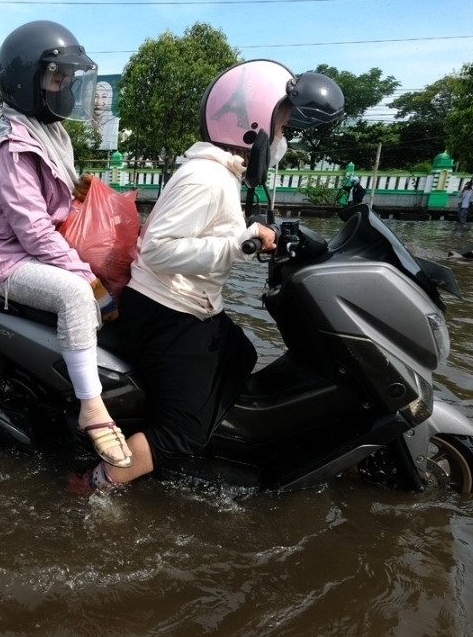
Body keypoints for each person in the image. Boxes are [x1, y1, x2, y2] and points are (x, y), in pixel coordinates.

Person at [72, 60, 344, 492]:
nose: (282, 138)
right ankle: (93, 483)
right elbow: (160, 248)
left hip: (187, 304)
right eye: (281, 124)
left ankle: (212, 442)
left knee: (240, 353)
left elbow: (204, 236)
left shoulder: (223, 175)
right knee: (183, 433)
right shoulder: (207, 177)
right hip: (164, 310)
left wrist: (252, 238)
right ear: (253, 125)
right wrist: (240, 243)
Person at [0, 20, 133, 469]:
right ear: (27, 83)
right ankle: (93, 410)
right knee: (78, 295)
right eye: (58, 78)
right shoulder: (13, 147)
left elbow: (54, 211)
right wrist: (90, 281)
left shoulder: (52, 135)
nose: (66, 89)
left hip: (38, 248)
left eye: (70, 79)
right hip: (2, 259)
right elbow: (33, 231)